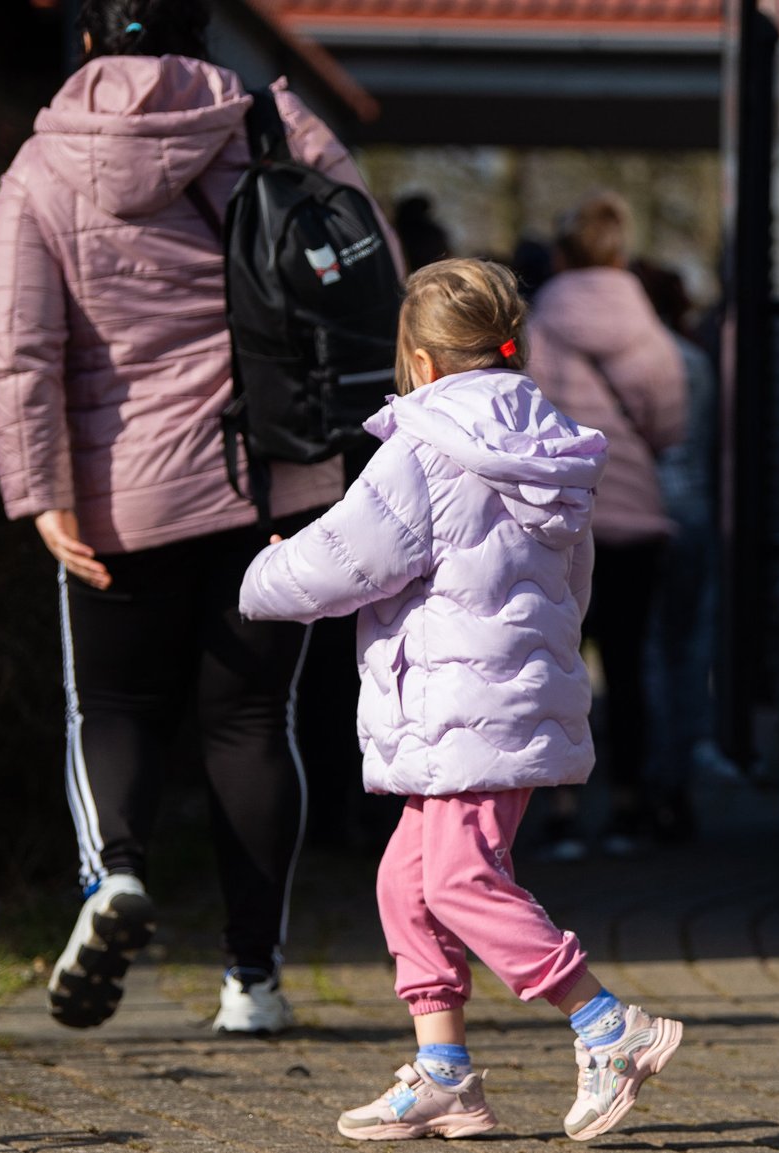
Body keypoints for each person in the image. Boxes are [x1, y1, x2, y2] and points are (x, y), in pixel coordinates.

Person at [0, 0, 398, 1033]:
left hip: (122, 496)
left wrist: (42, 495)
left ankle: (115, 874)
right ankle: (250, 980)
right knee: (251, 725)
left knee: (114, 706)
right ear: (202, 36)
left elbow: (17, 345)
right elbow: (368, 264)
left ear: (87, 42)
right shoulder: (270, 128)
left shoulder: (41, 168)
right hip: (276, 482)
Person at [237, 259, 684, 1143]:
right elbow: (575, 581)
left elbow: (348, 557)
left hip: (463, 708)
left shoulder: (425, 444)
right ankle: (444, 1073)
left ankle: (606, 1024)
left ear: (421, 357)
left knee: (457, 879)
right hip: (507, 695)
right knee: (407, 881)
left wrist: (261, 571)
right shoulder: (548, 439)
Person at [527, 193, 687, 856]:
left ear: (562, 255)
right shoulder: (651, 336)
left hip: (554, 523)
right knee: (626, 667)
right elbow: (670, 426)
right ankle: (626, 807)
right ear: (620, 254)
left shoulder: (535, 330)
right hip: (634, 520)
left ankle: (561, 812)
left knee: (555, 666)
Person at [630, 259, 722, 842]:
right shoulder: (695, 362)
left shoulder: (632, 360)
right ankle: (683, 778)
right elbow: (710, 442)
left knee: (649, 650)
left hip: (643, 513)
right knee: (692, 652)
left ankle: (653, 780)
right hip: (695, 513)